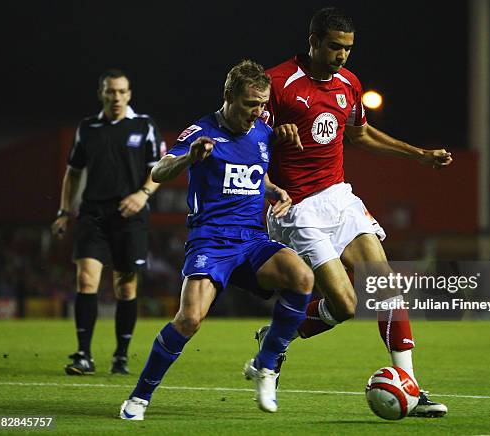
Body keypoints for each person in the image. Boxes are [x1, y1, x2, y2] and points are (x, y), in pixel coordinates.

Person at [260, 7, 453, 417]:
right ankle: (276, 339)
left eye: (348, 48)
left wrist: (417, 155)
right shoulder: (277, 83)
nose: (342, 56)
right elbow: (247, 140)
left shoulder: (349, 83)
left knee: (385, 287)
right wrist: (274, 136)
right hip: (296, 207)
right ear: (313, 42)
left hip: (338, 196)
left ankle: (412, 389)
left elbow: (360, 133)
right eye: (334, 47)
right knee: (345, 306)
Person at [119, 60, 313, 420]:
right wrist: (189, 158)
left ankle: (265, 364)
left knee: (302, 277)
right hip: (211, 241)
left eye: (261, 105)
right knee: (189, 319)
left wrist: (273, 189)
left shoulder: (262, 130)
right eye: (249, 104)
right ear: (228, 97)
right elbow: (159, 170)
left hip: (252, 239)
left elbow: (255, 174)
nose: (256, 113)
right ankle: (140, 396)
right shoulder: (200, 132)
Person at [51, 69, 164, 376]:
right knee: (86, 279)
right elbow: (73, 173)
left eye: (121, 91)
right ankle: (83, 355)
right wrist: (63, 212)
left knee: (125, 287)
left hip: (130, 215)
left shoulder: (145, 126)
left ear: (129, 94)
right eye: (110, 91)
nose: (116, 97)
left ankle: (121, 356)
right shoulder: (87, 128)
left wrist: (142, 194)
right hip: (93, 214)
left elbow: (159, 169)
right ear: (101, 93)